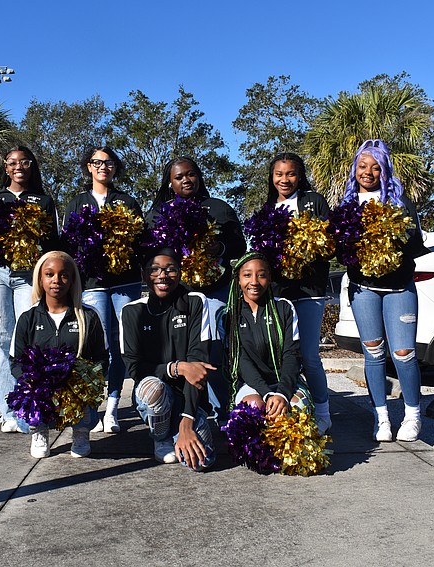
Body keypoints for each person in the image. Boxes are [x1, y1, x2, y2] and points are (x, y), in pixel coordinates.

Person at [145, 157, 246, 421]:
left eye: (191, 174)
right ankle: (186, 410)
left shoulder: (218, 208)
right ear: (170, 182)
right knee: (181, 351)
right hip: (177, 295)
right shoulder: (158, 213)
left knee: (216, 348)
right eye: (179, 177)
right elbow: (148, 253)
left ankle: (223, 410)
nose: (186, 180)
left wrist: (220, 247)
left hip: (215, 291)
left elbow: (240, 246)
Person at [341, 139, 427, 442]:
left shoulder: (401, 202)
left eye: (375, 167)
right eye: (362, 166)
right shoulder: (348, 205)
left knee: (403, 353)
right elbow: (341, 251)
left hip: (399, 287)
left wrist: (392, 237)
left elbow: (416, 244)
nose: (368, 172)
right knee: (373, 352)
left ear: (384, 170)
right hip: (363, 288)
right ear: (355, 169)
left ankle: (413, 416)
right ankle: (382, 418)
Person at [0, 146, 59, 434]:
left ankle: (27, 404)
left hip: (28, 276)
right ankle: (5, 409)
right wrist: (0, 243)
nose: (18, 166)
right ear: (6, 168)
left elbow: (52, 243)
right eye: (12, 162)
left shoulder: (43, 201)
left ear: (32, 166)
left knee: (26, 339)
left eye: (24, 162)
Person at [62, 146, 143, 434]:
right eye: (97, 162)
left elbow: (140, 239)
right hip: (92, 284)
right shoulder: (77, 203)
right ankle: (93, 407)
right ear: (88, 166)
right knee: (99, 345)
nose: (103, 167)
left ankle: (113, 408)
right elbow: (68, 245)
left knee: (122, 344)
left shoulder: (127, 202)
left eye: (108, 163)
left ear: (115, 168)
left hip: (125, 282)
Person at [120, 247, 216, 470]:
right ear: (144, 275)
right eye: (154, 269)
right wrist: (177, 368)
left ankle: (181, 426)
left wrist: (187, 420)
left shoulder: (195, 302)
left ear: (180, 272)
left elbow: (198, 368)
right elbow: (135, 368)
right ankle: (160, 436)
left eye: (170, 269)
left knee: (202, 462)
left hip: (189, 398)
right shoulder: (131, 312)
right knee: (153, 387)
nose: (162, 275)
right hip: (155, 395)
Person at [11, 251, 108, 459]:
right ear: (40, 279)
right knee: (28, 401)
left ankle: (81, 431)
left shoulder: (88, 316)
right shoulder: (28, 318)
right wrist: (32, 381)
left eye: (64, 275)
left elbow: (102, 358)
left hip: (74, 393)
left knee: (85, 397)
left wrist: (85, 380)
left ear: (72, 280)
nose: (56, 280)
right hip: (43, 392)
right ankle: (39, 430)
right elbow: (15, 361)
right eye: (49, 274)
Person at [264, 153, 332, 433]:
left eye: (290, 173)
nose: (284, 179)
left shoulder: (314, 201)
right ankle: (292, 410)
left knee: (309, 356)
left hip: (309, 291)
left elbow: (329, 243)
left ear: (300, 176)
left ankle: (324, 413)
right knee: (283, 356)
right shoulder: (268, 208)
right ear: (272, 177)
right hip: (279, 292)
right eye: (279, 174)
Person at [226, 252, 310, 416]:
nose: (254, 282)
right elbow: (241, 361)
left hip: (284, 383)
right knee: (253, 408)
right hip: (251, 384)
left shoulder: (284, 307)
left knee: (295, 408)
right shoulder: (229, 315)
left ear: (270, 278)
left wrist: (282, 394)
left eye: (261, 275)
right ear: (238, 279)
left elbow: (291, 354)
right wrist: (267, 393)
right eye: (247, 275)